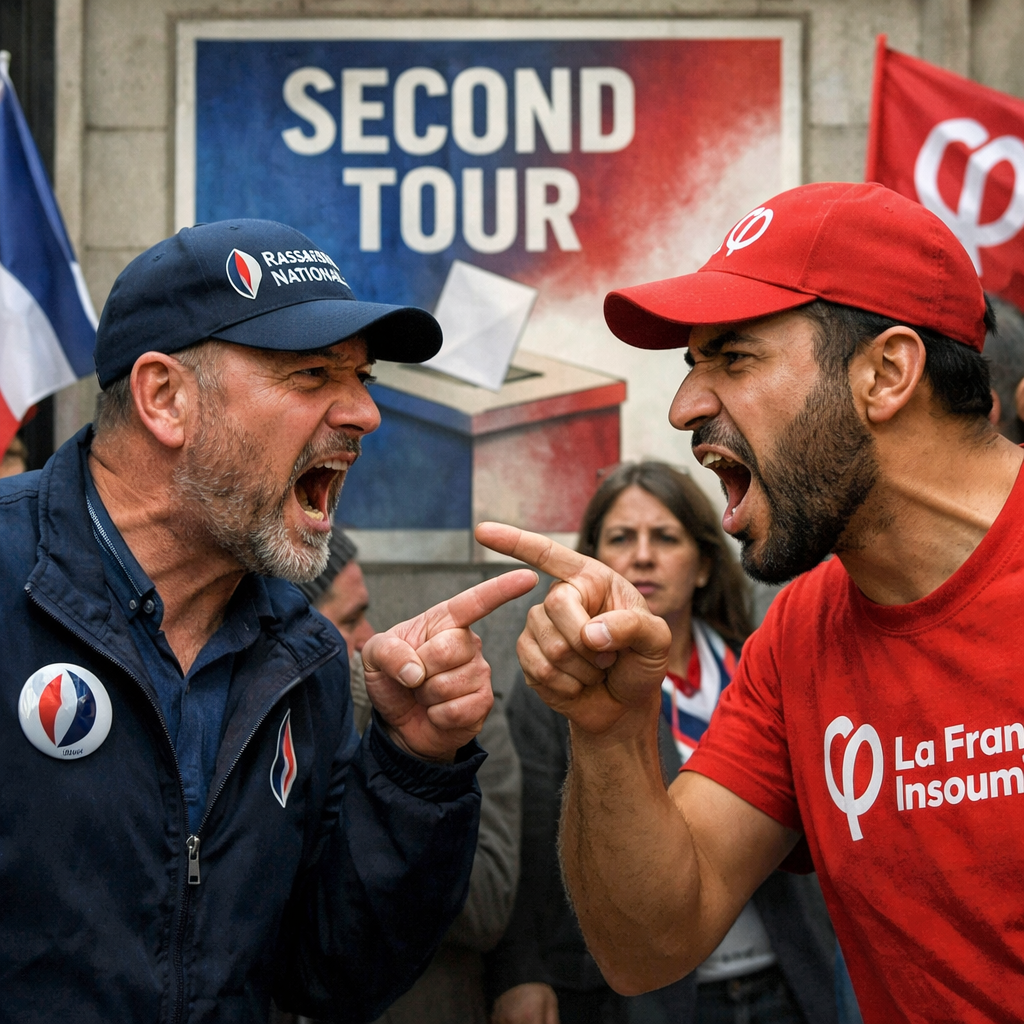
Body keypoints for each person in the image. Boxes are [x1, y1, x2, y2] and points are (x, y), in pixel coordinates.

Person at [475, 181, 1024, 1023]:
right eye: (693, 365)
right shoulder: (798, 638)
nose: (685, 407)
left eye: (734, 358)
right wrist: (611, 730)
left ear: (886, 373)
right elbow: (648, 945)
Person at [0, 218, 537, 1024]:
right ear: (164, 398)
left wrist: (415, 770)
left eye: (363, 378)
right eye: (314, 374)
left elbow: (333, 977)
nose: (363, 414)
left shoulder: (306, 660)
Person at [487, 462, 834, 1024]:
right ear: (593, 561)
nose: (642, 556)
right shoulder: (561, 687)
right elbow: (526, 842)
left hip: (783, 982)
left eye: (665, 538)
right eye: (621, 539)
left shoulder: (760, 666)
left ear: (701, 566)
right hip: (637, 1000)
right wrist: (519, 973)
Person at [295, 531, 523, 1024]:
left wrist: (407, 755)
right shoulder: (267, 739)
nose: (369, 636)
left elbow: (488, 905)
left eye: (365, 613)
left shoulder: (461, 721)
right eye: (349, 620)